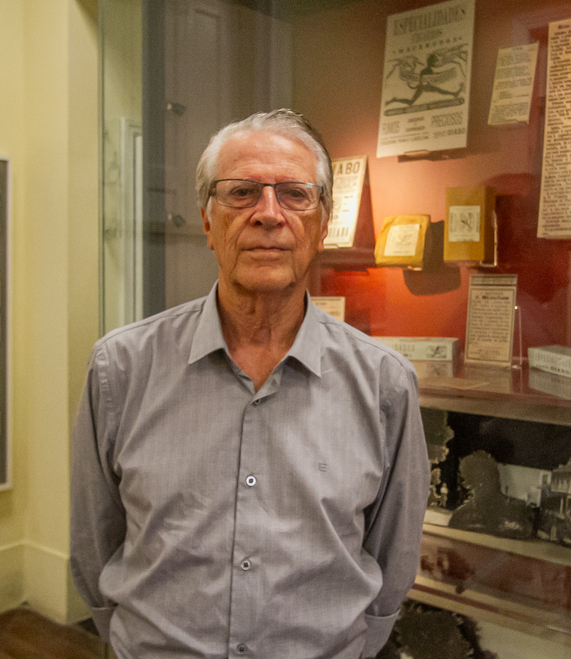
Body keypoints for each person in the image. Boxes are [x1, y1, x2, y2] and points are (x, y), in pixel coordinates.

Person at [70, 109, 430, 659]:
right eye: (241, 193)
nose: (268, 214)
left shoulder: (384, 386)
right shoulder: (121, 368)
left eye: (294, 194)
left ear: (324, 222)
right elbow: (96, 541)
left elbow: (392, 558)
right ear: (208, 222)